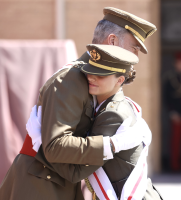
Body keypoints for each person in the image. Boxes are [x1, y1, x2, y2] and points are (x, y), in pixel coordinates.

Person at [0, 7, 161, 200]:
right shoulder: (71, 80)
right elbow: (54, 147)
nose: (135, 58)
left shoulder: (95, 83)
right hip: (40, 183)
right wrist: (111, 144)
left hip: (61, 181)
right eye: (134, 48)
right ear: (112, 42)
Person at [81, 44, 162, 200]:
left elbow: (84, 162)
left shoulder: (112, 113)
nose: (91, 77)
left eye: (101, 75)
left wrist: (41, 142)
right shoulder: (117, 104)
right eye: (90, 72)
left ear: (120, 80)